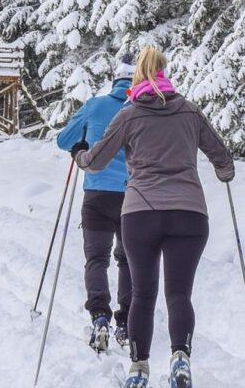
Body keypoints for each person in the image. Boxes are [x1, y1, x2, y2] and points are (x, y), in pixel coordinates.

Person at [72, 46, 235, 388]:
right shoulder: (191, 112)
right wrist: (224, 172)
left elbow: (97, 159)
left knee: (144, 294)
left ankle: (139, 367)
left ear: (137, 78)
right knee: (179, 294)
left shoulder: (129, 115)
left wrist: (81, 157)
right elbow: (222, 157)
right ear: (165, 73)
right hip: (189, 214)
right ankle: (180, 357)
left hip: (141, 214)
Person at [57, 52, 135, 353]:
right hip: (134, 196)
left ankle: (100, 316)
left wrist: (81, 145)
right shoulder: (142, 108)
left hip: (97, 195)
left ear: (115, 80)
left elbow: (64, 140)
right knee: (127, 260)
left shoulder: (96, 105)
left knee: (97, 259)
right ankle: (126, 321)